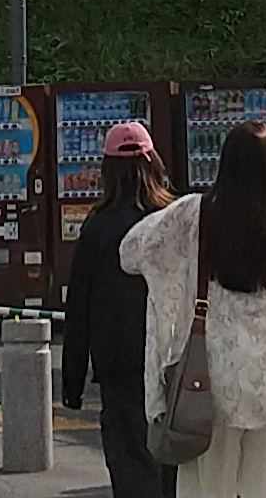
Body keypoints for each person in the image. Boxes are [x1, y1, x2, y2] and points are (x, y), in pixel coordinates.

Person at [121, 122, 266, 498]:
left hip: (207, 388)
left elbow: (130, 253)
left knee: (207, 490)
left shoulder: (193, 214)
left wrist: (177, 271)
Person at [63, 122, 176, 498]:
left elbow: (79, 305)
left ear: (107, 170)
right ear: (153, 162)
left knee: (130, 459)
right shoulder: (174, 217)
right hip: (172, 359)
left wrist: (72, 383)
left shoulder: (97, 225)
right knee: (174, 457)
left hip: (119, 363)